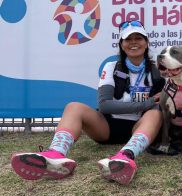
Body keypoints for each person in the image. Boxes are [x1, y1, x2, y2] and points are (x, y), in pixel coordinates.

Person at [10, 20, 166, 185]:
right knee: (74, 107)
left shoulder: (159, 70)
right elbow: (105, 105)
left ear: (147, 42)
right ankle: (55, 155)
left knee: (156, 113)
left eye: (139, 38)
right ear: (121, 44)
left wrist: (151, 105)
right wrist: (146, 103)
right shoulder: (111, 67)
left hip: (140, 127)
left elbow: (164, 103)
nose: (134, 42)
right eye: (128, 39)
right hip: (107, 128)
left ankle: (124, 157)